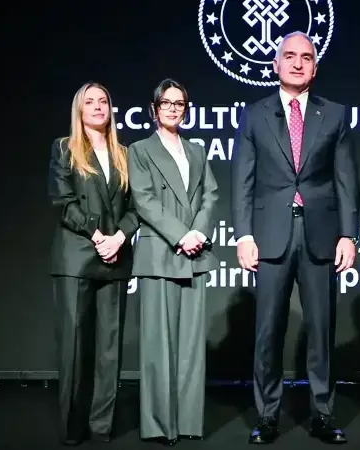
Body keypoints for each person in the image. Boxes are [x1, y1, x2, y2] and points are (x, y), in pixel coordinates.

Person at [230, 31, 360, 445]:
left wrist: (349, 235)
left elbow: (346, 180)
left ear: (315, 67)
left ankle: (323, 414)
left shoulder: (334, 114)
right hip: (270, 235)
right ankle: (267, 416)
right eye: (290, 56)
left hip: (321, 235)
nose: (298, 63)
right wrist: (243, 235)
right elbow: (242, 181)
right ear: (276, 64)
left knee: (321, 330)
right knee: (268, 331)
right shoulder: (254, 115)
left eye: (306, 57)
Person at [127, 78, 219, 446]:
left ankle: (188, 422)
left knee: (192, 347)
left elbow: (211, 195)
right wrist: (182, 235)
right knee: (158, 345)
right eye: (166, 103)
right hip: (161, 253)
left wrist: (198, 232)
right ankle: (158, 425)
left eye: (179, 104)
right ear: (154, 109)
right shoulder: (140, 150)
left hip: (195, 254)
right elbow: (144, 200)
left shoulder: (196, 150)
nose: (172, 109)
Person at [47, 81, 139, 446]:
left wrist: (120, 238)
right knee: (75, 348)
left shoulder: (125, 154)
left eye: (104, 101)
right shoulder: (64, 148)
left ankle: (102, 427)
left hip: (115, 258)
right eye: (91, 101)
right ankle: (73, 428)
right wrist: (99, 236)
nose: (99, 106)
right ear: (79, 109)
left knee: (109, 349)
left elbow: (136, 207)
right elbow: (63, 202)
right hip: (78, 258)